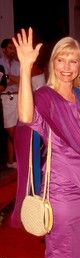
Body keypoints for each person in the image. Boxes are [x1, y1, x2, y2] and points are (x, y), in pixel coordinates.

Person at [11, 27, 80, 258]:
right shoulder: (45, 97)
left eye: (73, 61)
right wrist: (25, 67)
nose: (67, 67)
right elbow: (26, 116)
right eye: (61, 60)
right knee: (61, 255)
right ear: (52, 63)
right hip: (61, 192)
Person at [0, 38, 20, 169]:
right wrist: (11, 79)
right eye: (10, 48)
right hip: (6, 99)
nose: (13, 50)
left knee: (16, 129)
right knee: (12, 132)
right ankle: (23, 157)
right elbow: (2, 85)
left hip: (19, 97)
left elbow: (22, 79)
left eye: (14, 48)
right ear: (4, 50)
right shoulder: (0, 64)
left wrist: (7, 76)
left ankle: (11, 161)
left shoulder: (18, 64)